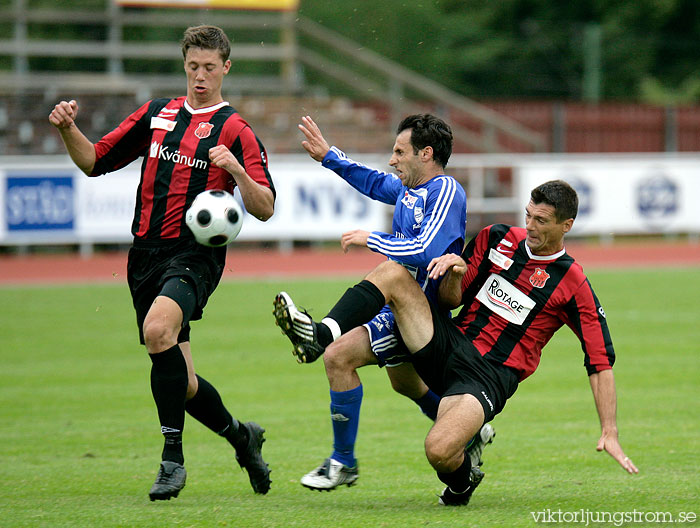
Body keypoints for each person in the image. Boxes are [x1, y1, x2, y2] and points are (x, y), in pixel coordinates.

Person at [274, 179, 638, 505]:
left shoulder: (572, 282)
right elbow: (451, 300)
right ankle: (321, 335)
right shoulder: (497, 237)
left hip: (486, 378)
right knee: (393, 273)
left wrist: (609, 430)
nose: (530, 226)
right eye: (528, 216)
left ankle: (462, 483)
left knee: (439, 450)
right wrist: (454, 274)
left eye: (541, 221)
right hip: (448, 341)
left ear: (566, 226)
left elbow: (600, 361)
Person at [49, 25, 275, 501]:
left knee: (157, 331)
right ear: (184, 64)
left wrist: (234, 170)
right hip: (144, 255)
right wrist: (69, 128)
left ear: (225, 68)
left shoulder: (236, 130)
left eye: (209, 68)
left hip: (195, 254)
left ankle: (172, 459)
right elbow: (94, 161)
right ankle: (242, 437)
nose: (200, 76)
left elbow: (265, 206)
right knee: (184, 380)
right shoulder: (157, 115)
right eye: (193, 66)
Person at [275, 114, 483, 492]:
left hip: (424, 313)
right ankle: (470, 429)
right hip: (399, 310)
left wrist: (372, 237)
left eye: (399, 152)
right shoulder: (408, 189)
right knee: (404, 383)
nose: (392, 160)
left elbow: (426, 250)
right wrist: (327, 156)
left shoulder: (446, 190)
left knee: (338, 353)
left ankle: (341, 458)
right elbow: (371, 182)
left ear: (426, 153)